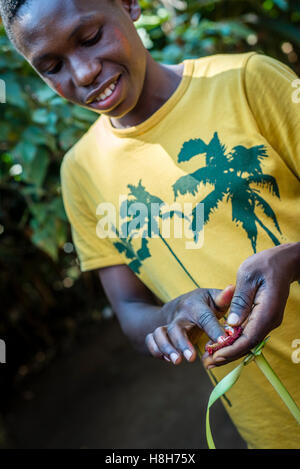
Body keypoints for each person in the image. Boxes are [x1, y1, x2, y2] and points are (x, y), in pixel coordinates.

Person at [1, 0, 299, 449]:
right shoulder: (81, 173)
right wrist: (168, 316)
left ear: (129, 5)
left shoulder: (248, 81)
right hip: (272, 425)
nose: (82, 74)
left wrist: (291, 258)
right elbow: (129, 312)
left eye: (90, 38)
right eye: (52, 65)